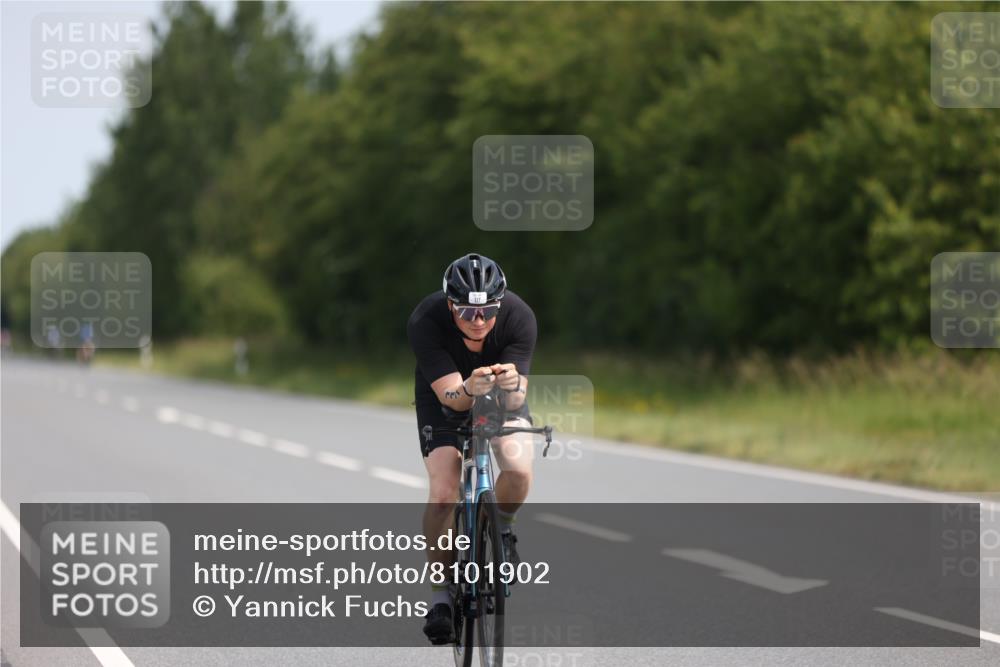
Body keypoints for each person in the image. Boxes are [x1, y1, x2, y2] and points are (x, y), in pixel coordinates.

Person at [407, 253, 537, 645]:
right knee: (445, 491)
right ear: (450, 305)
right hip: (445, 395)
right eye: (465, 311)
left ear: (500, 303)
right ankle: (441, 597)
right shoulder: (426, 320)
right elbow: (451, 397)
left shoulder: (519, 317)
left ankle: (503, 529)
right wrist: (467, 388)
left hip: (500, 395)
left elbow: (517, 402)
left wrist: (511, 385)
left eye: (487, 311)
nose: (477, 321)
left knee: (517, 468)